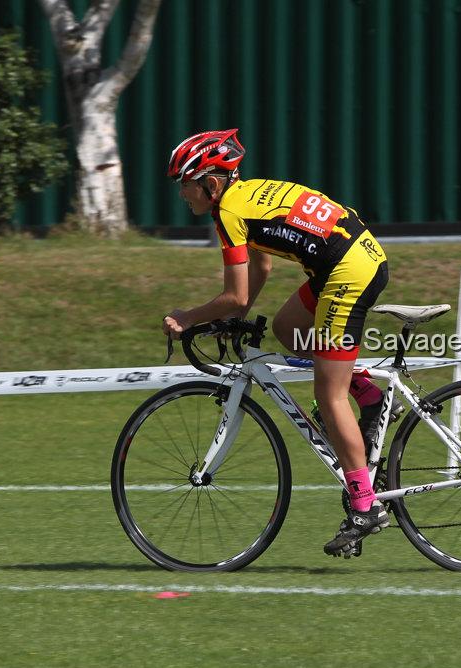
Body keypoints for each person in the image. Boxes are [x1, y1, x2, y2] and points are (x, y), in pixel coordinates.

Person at [162, 128, 391, 557]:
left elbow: (235, 294)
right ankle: (371, 395)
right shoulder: (242, 196)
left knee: (329, 392)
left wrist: (186, 317)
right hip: (347, 258)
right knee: (288, 328)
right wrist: (237, 319)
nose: (182, 195)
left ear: (210, 184)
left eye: (185, 185)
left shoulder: (227, 211)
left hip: (346, 270)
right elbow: (260, 270)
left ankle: (365, 505)